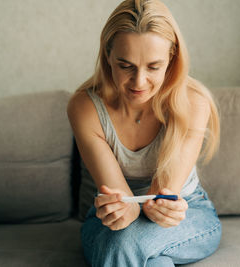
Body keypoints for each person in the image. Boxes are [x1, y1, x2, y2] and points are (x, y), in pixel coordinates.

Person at [67, 0, 221, 266]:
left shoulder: (193, 103)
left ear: (172, 58)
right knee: (148, 257)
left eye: (153, 67)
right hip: (110, 218)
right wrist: (122, 210)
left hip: (187, 212)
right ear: (107, 56)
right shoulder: (84, 107)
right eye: (125, 66)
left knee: (125, 244)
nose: (139, 82)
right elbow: (124, 207)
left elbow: (161, 200)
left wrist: (165, 207)